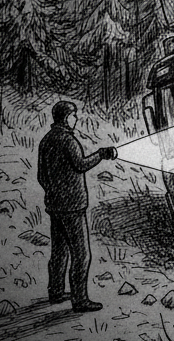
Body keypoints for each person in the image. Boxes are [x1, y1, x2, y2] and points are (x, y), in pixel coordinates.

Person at [37, 100, 117, 312]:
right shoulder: (68, 141)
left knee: (59, 252)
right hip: (72, 207)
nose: (76, 118)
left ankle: (55, 291)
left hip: (55, 206)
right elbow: (81, 165)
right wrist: (101, 154)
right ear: (65, 117)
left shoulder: (45, 141)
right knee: (81, 254)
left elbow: (41, 176)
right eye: (74, 115)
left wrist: (54, 192)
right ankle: (80, 300)